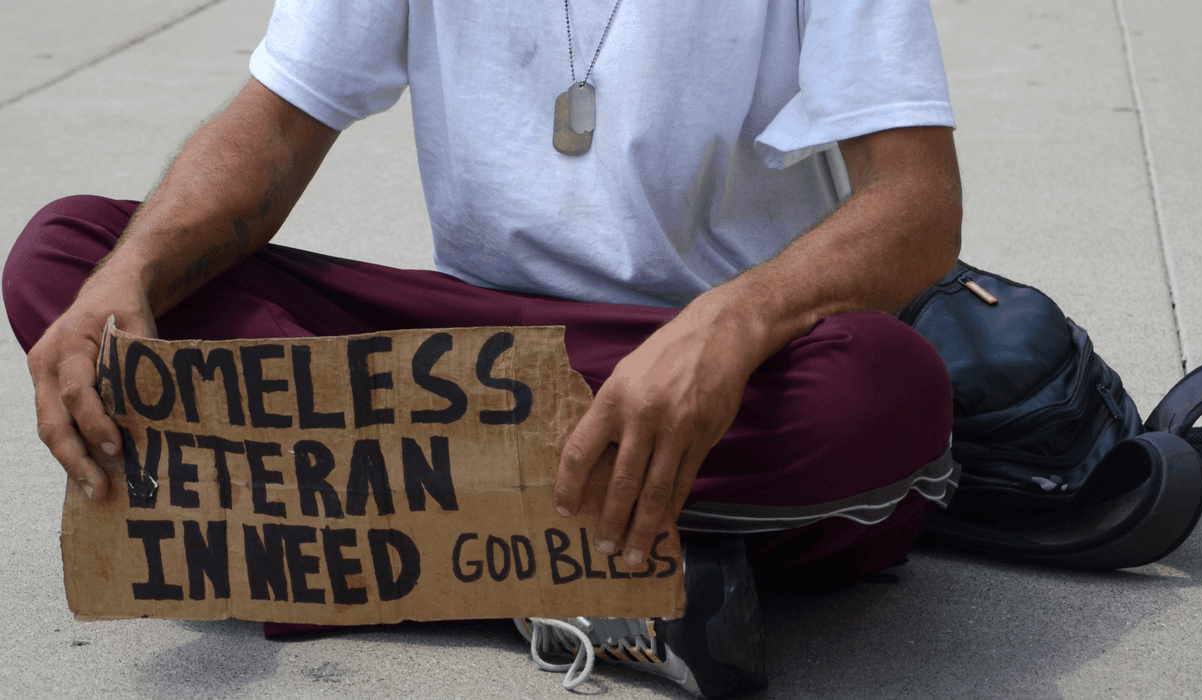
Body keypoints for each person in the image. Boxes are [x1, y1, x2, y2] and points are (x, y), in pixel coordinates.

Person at [4, 0, 962, 696]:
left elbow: (917, 205)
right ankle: (559, 560)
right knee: (74, 258)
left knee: (885, 391)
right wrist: (126, 283)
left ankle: (385, 543)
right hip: (470, 368)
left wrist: (732, 322)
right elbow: (275, 129)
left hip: (712, 377)